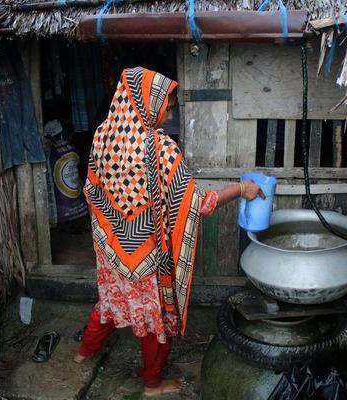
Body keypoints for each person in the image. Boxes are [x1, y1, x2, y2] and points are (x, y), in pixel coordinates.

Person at [74, 67, 263, 396]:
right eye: (169, 105)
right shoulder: (160, 150)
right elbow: (199, 204)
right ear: (148, 104)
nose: (172, 113)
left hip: (111, 248)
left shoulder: (103, 133)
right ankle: (152, 383)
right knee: (154, 320)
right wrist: (242, 188)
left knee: (110, 300)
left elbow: (92, 188)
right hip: (147, 257)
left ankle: (83, 352)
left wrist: (115, 228)